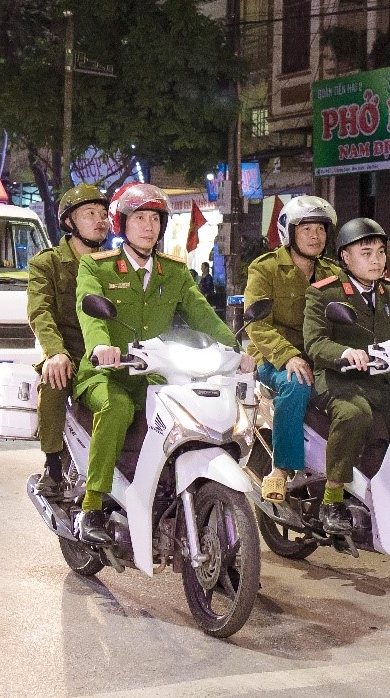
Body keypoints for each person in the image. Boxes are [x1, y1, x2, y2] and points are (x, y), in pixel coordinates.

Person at [72, 182, 253, 543]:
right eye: (139, 218)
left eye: (154, 219)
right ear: (122, 223)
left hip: (156, 374)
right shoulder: (97, 267)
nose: (148, 227)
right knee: (117, 408)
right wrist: (101, 346)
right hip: (107, 372)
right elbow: (89, 310)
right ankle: (91, 505)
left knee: (187, 414)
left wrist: (235, 348)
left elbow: (201, 313)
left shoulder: (173, 271)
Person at [303, 217, 390, 538]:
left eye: (381, 252)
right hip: (337, 379)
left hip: (380, 381)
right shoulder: (325, 294)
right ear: (346, 257)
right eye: (366, 253)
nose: (376, 260)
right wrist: (346, 353)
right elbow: (316, 343)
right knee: (354, 413)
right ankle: (332, 500)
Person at [244, 195, 341, 503]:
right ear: (289, 232)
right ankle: (281, 469)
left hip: (320, 356)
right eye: (307, 229)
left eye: (321, 229)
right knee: (296, 383)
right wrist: (288, 356)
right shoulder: (266, 269)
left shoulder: (333, 273)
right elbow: (257, 325)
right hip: (273, 359)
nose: (315, 236)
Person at [26, 184, 110, 498]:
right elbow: (41, 312)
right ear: (69, 222)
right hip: (69, 351)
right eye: (90, 213)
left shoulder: (116, 262)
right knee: (54, 380)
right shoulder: (47, 263)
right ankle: (52, 463)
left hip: (109, 351)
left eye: (103, 214)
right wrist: (54, 353)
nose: (100, 220)